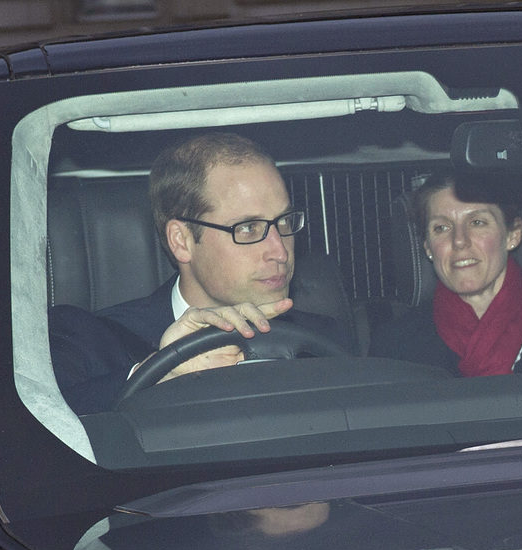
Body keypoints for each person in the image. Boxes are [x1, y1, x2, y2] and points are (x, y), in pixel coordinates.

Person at [50, 132, 349, 414]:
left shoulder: (323, 340)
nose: (280, 252)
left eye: (284, 222)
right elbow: (39, 423)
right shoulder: (92, 341)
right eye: (247, 228)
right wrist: (156, 372)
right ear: (182, 241)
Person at [368, 173, 522, 376]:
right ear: (428, 247)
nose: (459, 241)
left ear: (513, 234)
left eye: (477, 222)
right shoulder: (394, 346)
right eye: (441, 228)